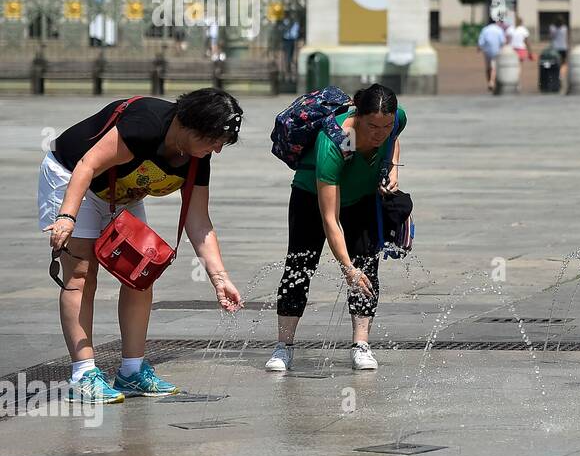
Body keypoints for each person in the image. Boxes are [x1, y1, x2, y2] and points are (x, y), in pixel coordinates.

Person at [40, 89, 244, 403]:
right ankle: (83, 374)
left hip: (121, 192)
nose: (216, 150)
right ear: (189, 126)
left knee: (140, 272)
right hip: (72, 176)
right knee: (80, 273)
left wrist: (219, 278)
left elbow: (199, 221)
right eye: (214, 140)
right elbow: (87, 164)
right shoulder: (144, 124)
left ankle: (131, 372)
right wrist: (67, 215)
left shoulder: (195, 158)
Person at [267, 84, 405, 374]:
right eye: (373, 126)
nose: (380, 133)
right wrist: (346, 268)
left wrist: (393, 167)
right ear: (358, 115)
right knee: (299, 265)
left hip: (363, 198)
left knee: (367, 267)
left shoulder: (395, 118)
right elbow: (330, 218)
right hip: (311, 197)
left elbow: (394, 138)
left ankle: (361, 345)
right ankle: (284, 346)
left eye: (386, 125)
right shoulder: (341, 140)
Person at [477, 18, 507, 93]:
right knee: (494, 67)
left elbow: (481, 41)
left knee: (488, 67)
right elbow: (503, 41)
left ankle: (488, 82)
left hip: (487, 51)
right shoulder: (499, 29)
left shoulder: (485, 29)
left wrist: (479, 48)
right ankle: (492, 82)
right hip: (496, 51)